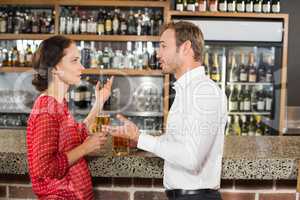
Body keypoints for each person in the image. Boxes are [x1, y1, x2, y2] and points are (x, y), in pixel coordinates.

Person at [102, 21, 227, 200]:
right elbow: (176, 141)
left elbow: (191, 158)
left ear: (186, 47)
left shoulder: (204, 92)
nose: (158, 53)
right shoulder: (188, 90)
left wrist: (140, 138)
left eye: (163, 46)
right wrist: (136, 139)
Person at [26, 35, 113, 199]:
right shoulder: (46, 110)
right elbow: (43, 168)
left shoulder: (58, 104)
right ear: (55, 69)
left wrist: (99, 103)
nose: (82, 67)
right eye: (74, 61)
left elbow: (76, 137)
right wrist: (86, 148)